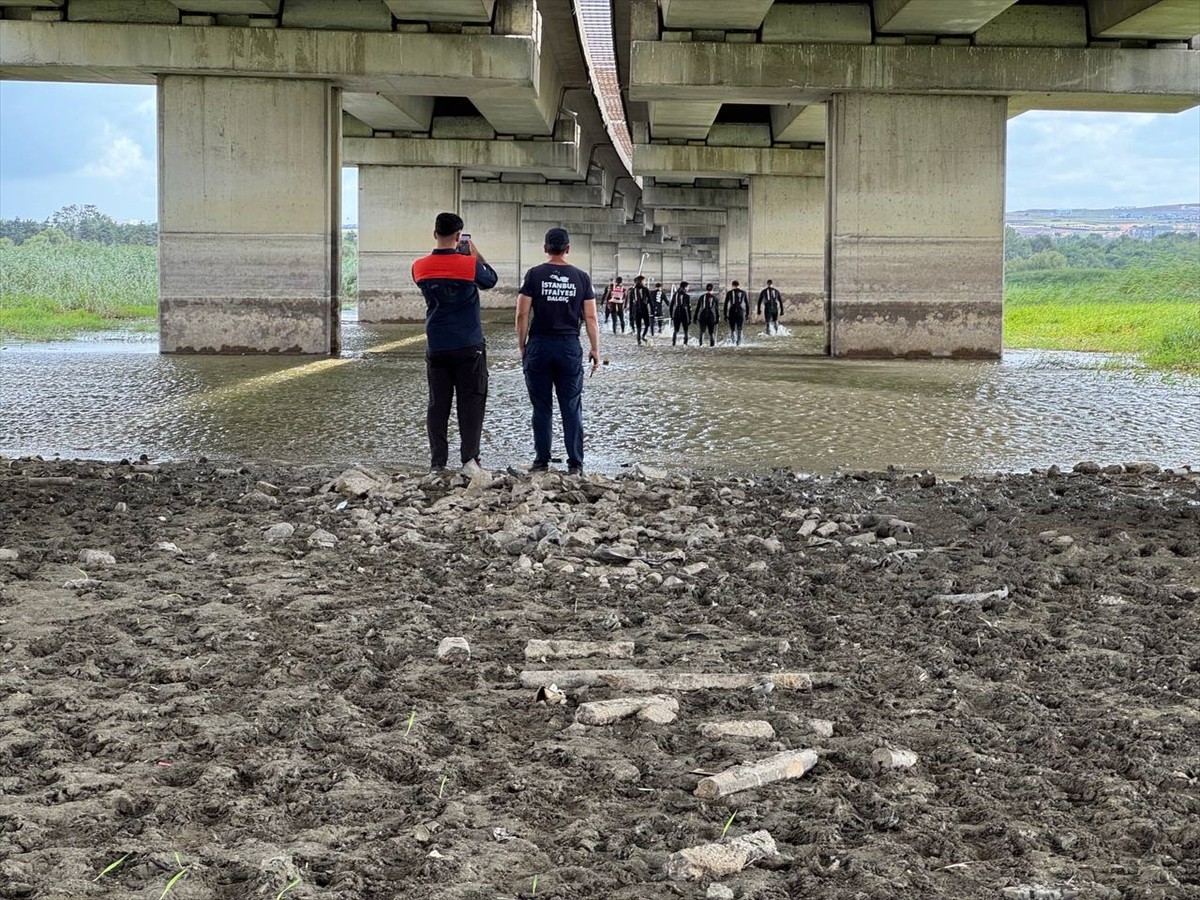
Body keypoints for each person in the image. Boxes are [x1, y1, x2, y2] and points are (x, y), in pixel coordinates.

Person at [412, 211, 498, 477]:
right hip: (468, 344)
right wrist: (473, 254)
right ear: (459, 236)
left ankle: (438, 462)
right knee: (471, 402)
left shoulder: (419, 267)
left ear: (434, 233)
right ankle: (469, 459)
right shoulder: (469, 265)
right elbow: (491, 280)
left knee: (438, 404)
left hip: (437, 344)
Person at [515, 227, 601, 476]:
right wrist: (595, 348)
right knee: (571, 406)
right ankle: (575, 463)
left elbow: (522, 313)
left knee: (541, 407)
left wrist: (522, 344)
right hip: (569, 346)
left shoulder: (534, 275)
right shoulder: (581, 278)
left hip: (540, 344)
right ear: (568, 249)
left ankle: (542, 460)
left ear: (545, 249)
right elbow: (591, 317)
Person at [693, 282, 720, 347]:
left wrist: (695, 318)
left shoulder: (701, 297)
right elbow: (717, 310)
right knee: (711, 333)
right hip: (711, 316)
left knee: (702, 332)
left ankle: (701, 345)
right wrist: (718, 318)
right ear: (712, 289)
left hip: (703, 315)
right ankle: (712, 346)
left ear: (706, 289)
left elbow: (698, 308)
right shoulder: (715, 298)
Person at [724, 279, 750, 346]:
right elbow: (747, 304)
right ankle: (739, 343)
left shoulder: (729, 293)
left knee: (732, 329)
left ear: (732, 285)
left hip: (732, 311)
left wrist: (725, 314)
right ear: (739, 285)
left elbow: (726, 304)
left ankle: (733, 342)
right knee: (739, 328)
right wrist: (747, 314)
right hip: (740, 311)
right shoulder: (743, 292)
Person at [630, 275, 653, 345]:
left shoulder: (633, 290)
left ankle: (638, 341)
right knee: (647, 324)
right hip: (644, 308)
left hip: (636, 309)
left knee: (638, 326)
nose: (645, 282)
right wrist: (652, 309)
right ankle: (643, 336)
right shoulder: (645, 289)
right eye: (644, 281)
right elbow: (650, 300)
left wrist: (631, 313)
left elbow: (631, 302)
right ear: (641, 281)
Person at [670, 280, 692, 346]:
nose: (688, 288)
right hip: (683, 312)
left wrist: (671, 316)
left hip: (676, 312)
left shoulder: (675, 295)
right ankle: (685, 344)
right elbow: (689, 308)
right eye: (688, 287)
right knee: (686, 329)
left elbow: (671, 306)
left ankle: (673, 343)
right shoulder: (686, 296)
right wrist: (690, 318)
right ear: (685, 287)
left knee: (676, 330)